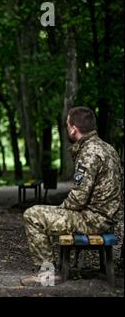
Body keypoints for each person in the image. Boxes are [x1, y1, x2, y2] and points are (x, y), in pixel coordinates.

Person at [21, 106, 124, 286]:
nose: (67, 128)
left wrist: (58, 211)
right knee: (44, 213)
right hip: (107, 217)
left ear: (73, 128)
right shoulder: (107, 148)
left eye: (67, 125)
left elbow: (78, 198)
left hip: (93, 220)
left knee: (33, 214)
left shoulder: (89, 152)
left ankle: (47, 275)